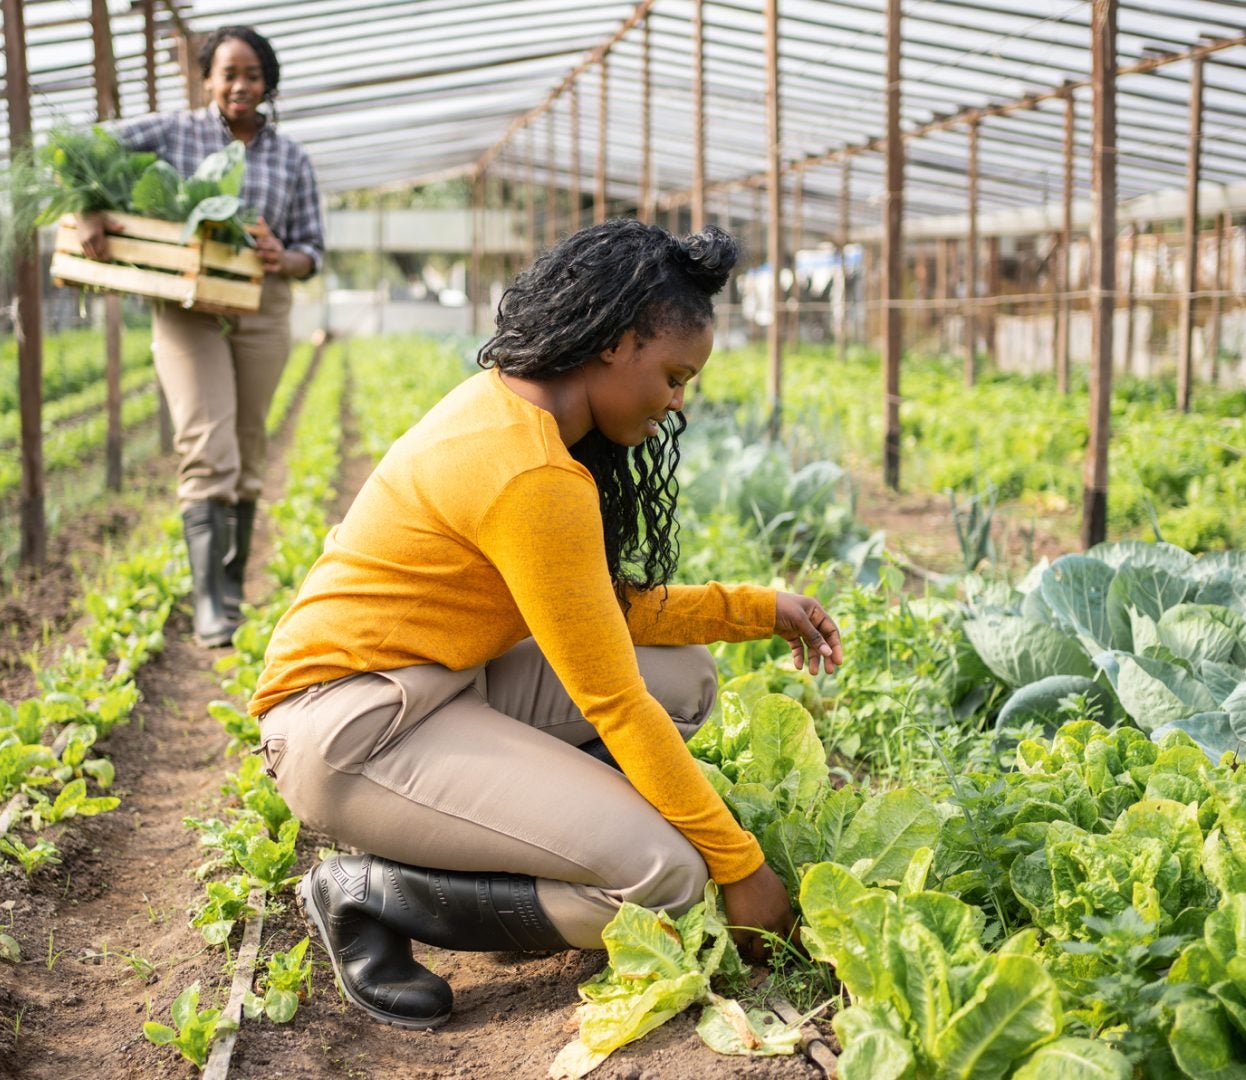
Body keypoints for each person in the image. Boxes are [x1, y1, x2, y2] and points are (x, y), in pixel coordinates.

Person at [246, 220, 844, 1030]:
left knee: (686, 677)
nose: (676, 404)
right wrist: (741, 868)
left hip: (437, 682)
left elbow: (598, 615)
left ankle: (518, 853)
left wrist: (754, 610)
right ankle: (370, 894)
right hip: (349, 732)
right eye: (672, 376)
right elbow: (613, 701)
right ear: (615, 341)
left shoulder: (512, 407)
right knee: (669, 880)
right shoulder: (530, 471)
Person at [79, 25, 325, 647]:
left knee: (246, 447)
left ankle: (234, 585)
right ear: (207, 78)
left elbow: (312, 251)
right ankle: (208, 604)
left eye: (251, 74)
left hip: (263, 306)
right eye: (227, 73)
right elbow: (87, 148)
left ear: (267, 82)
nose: (239, 85)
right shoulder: (173, 131)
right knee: (205, 442)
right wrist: (90, 209)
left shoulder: (292, 157)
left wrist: (282, 255)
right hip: (187, 302)